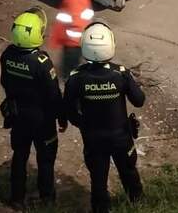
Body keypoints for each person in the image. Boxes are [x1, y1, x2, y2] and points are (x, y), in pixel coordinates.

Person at [64, 22, 145, 213]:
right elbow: (139, 100)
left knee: (98, 178)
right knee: (128, 171)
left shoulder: (76, 77)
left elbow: (68, 109)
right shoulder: (121, 73)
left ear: (84, 45)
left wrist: (82, 124)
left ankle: (101, 209)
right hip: (121, 137)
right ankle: (138, 204)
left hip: (93, 138)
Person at [0, 8, 66, 209]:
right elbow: (54, 95)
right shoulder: (41, 62)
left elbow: (5, 82)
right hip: (42, 120)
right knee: (45, 160)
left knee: (19, 156)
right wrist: (62, 118)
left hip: (19, 116)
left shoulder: (7, 55)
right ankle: (47, 198)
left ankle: (16, 198)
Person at [49, 0, 94, 79]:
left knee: (69, 73)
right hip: (74, 42)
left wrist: (66, 41)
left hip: (72, 43)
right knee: (71, 69)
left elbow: (76, 23)